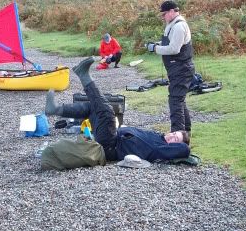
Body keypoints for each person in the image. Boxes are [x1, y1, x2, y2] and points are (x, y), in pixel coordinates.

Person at [45, 57, 190, 163]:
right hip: (112, 137)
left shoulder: (162, 149)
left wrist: (181, 143)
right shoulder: (158, 136)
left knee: (107, 112)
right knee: (93, 107)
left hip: (111, 147)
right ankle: (57, 109)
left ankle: (84, 76)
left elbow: (185, 150)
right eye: (174, 133)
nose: (171, 136)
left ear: (176, 145)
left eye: (175, 139)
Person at [145, 0, 195, 134]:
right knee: (179, 99)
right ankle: (186, 132)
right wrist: (157, 44)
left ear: (173, 11)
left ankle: (177, 135)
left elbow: (174, 49)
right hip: (177, 68)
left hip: (181, 69)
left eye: (164, 14)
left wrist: (155, 48)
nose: (163, 17)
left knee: (175, 101)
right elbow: (170, 41)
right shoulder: (172, 24)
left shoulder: (179, 26)